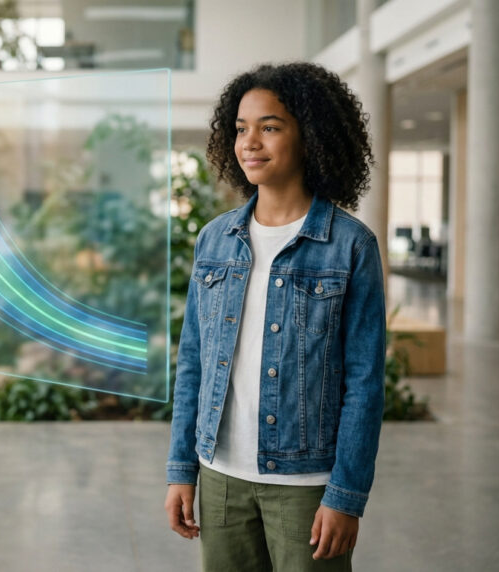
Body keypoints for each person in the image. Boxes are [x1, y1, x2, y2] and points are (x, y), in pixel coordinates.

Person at [164, 62, 386, 571]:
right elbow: (194, 361)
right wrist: (181, 468)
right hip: (220, 476)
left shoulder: (350, 245)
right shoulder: (215, 239)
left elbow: (364, 382)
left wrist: (345, 494)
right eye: (241, 128)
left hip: (306, 486)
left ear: (310, 136)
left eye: (269, 127)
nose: (250, 142)